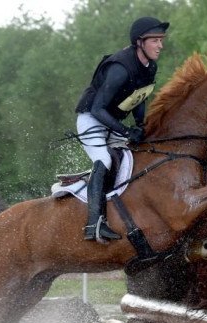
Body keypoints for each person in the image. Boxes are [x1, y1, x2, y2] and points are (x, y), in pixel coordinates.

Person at [75, 16, 169, 242]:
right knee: (104, 161)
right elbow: (98, 109)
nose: (160, 45)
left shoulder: (149, 66)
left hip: (112, 121)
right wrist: (126, 132)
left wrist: (139, 126)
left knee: (142, 153)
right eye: (155, 41)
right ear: (139, 42)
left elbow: (140, 97)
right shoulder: (120, 68)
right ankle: (93, 224)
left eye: (161, 40)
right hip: (91, 119)